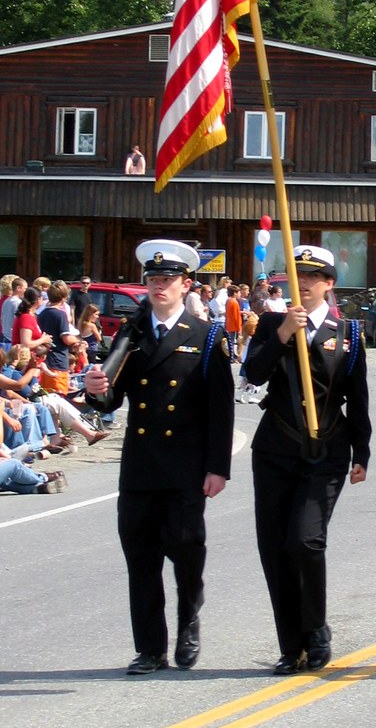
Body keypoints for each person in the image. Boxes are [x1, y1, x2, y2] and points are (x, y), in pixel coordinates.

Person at [84, 239, 235, 676]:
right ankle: (150, 648)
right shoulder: (131, 334)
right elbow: (112, 399)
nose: (159, 286)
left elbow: (220, 407)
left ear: (185, 284)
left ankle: (189, 618)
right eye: (153, 279)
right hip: (142, 463)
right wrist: (98, 393)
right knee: (140, 557)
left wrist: (217, 467)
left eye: (167, 279)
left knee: (187, 550)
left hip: (186, 465)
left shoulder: (206, 336)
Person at [245, 245, 371, 676]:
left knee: (305, 540)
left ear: (329, 285)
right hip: (276, 449)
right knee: (275, 549)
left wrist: (363, 452)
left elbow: (358, 398)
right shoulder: (270, 324)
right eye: (297, 276)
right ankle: (291, 644)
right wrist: (282, 337)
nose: (304, 284)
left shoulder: (348, 332)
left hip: (327, 450)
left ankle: (315, 629)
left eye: (314, 277)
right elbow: (253, 375)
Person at [37, 281, 78, 395]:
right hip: (58, 361)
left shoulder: (42, 314)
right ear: (64, 297)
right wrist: (77, 340)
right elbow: (66, 338)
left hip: (44, 361)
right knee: (58, 397)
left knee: (45, 396)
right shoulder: (60, 315)